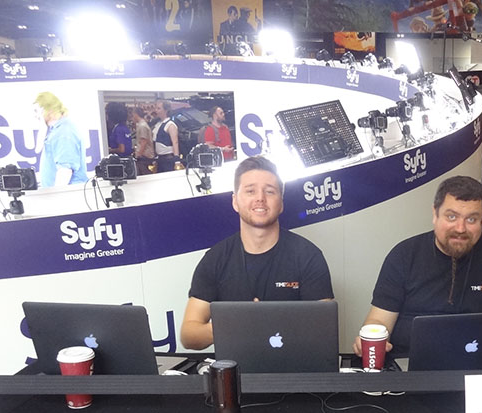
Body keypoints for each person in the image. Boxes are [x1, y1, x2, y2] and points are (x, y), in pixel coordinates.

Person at [353, 176, 482, 358]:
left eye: (471, 219)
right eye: (451, 217)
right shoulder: (404, 255)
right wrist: (370, 337)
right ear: (435, 214)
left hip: (479, 362)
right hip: (409, 365)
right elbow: (379, 320)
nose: (460, 228)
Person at [180, 156, 334, 349]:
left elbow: (325, 330)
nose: (260, 198)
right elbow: (189, 335)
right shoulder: (215, 259)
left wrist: (269, 323)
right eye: (250, 191)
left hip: (295, 365)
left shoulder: (308, 256)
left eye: (269, 191)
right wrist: (236, 325)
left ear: (281, 203)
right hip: (235, 367)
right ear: (235, 202)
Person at [34, 91, 88, 187]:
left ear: (48, 110)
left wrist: (55, 194)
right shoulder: (57, 130)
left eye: (36, 111)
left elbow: (65, 171)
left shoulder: (63, 132)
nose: (35, 116)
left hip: (67, 193)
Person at [152, 101, 180, 173]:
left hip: (168, 159)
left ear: (166, 110)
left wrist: (176, 159)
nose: (156, 110)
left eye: (159, 108)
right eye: (156, 108)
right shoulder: (158, 124)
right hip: (159, 158)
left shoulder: (170, 125)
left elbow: (175, 142)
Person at [131, 106, 155, 176]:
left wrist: (138, 155)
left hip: (145, 156)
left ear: (136, 114)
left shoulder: (142, 126)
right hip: (144, 155)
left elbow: (143, 142)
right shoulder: (142, 125)